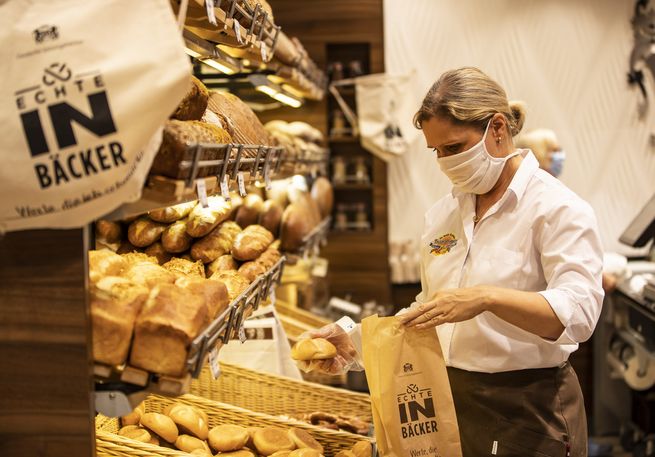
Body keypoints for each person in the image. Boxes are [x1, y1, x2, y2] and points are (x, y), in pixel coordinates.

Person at [301, 67, 604, 457]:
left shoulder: (557, 209)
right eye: (437, 151)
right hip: (450, 405)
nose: (445, 161)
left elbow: (579, 314)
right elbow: (431, 309)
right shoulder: (443, 215)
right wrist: (355, 342)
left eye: (455, 147)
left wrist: (486, 298)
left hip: (529, 409)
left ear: (498, 129)